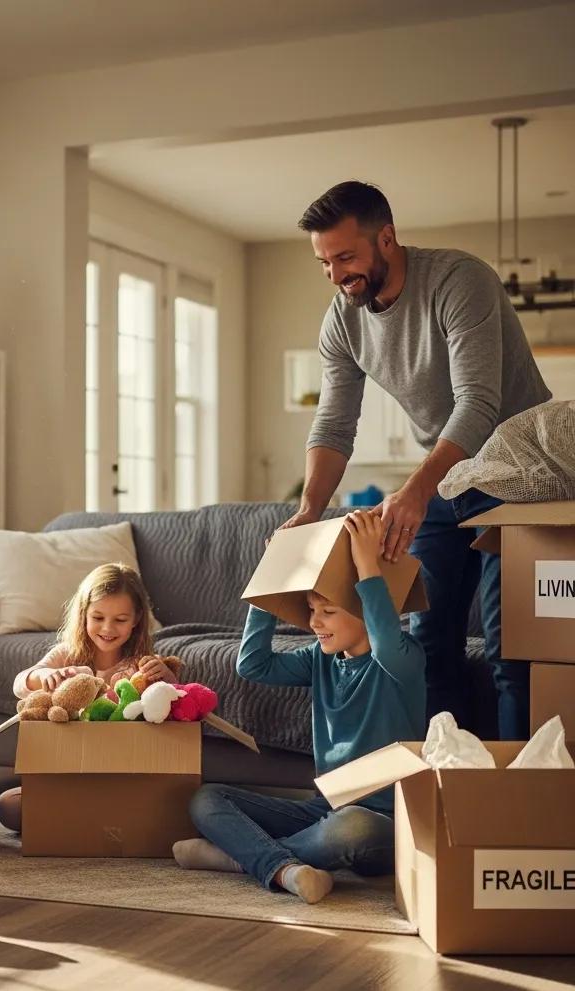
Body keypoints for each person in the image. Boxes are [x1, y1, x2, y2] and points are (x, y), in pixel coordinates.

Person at [284, 180, 550, 739]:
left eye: (346, 257)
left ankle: (518, 800)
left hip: (521, 476)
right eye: (324, 263)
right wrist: (310, 507)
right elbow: (334, 422)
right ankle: (445, 788)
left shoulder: (459, 280)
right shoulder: (343, 319)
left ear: (387, 238)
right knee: (426, 643)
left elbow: (479, 402)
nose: (335, 275)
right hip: (451, 477)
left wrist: (416, 488)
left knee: (512, 649)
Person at [175, 511, 425, 904]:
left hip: (383, 822)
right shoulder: (320, 658)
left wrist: (366, 564)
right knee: (207, 798)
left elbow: (385, 643)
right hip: (321, 809)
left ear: (366, 610)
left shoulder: (403, 662)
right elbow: (252, 665)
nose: (314, 623)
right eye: (312, 609)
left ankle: (242, 857)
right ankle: (284, 867)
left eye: (328, 611)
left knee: (351, 828)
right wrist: (269, 586)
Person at [0, 562, 176, 832]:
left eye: (120, 620)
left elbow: (175, 702)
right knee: (8, 807)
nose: (107, 628)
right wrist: (43, 676)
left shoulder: (140, 664)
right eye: (98, 617)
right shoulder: (67, 654)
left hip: (119, 774)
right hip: (67, 773)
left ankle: (86, 817)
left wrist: (168, 678)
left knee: (165, 808)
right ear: (83, 614)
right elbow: (21, 683)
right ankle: (93, 816)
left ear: (137, 619)